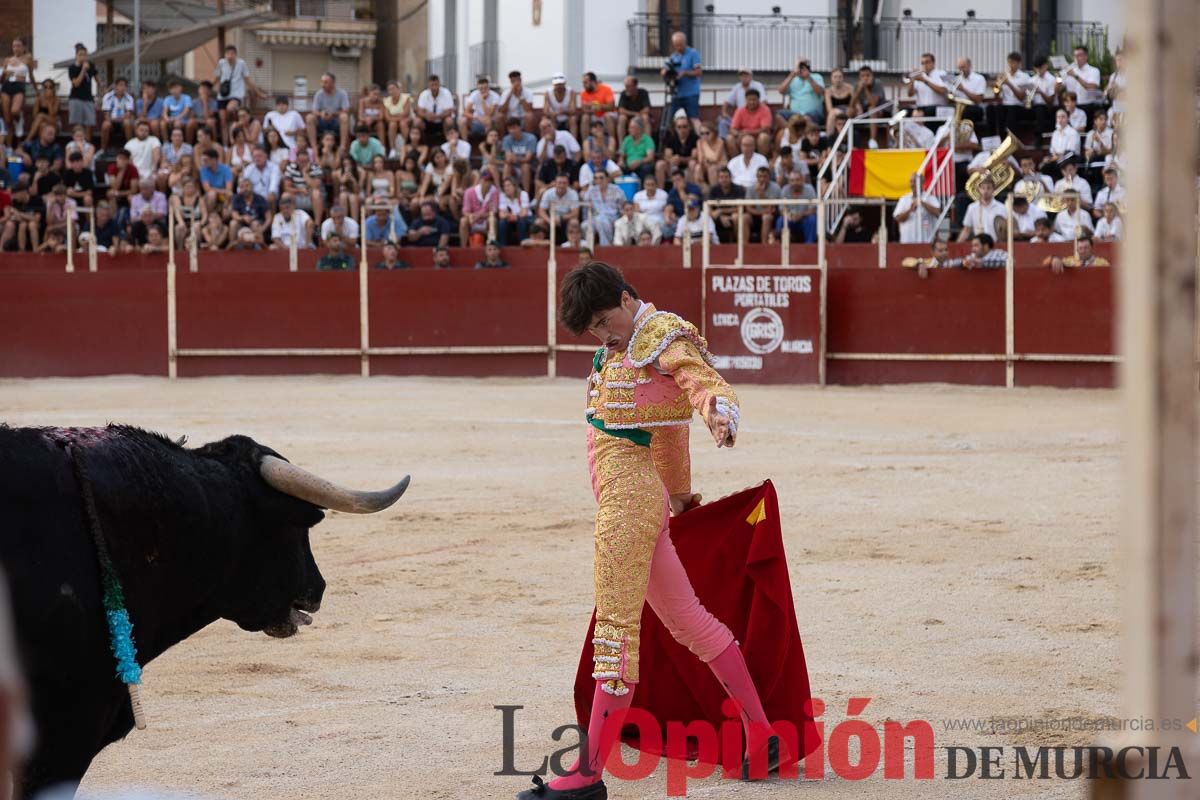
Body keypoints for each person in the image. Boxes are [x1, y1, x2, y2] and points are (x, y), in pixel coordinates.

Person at [519, 262, 783, 800]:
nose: (602, 333)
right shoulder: (626, 348)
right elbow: (666, 433)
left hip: (627, 503)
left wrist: (718, 409)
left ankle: (588, 774)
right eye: (592, 328)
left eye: (603, 319)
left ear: (624, 296)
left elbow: (699, 380)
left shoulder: (660, 334)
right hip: (643, 500)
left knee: (616, 631)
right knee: (689, 622)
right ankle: (761, 735)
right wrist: (680, 496)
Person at [214, 45, 263, 140]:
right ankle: (225, 143)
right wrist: (210, 88)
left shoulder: (241, 63)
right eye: (227, 54)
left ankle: (235, 120)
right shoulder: (221, 63)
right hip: (223, 95)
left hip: (236, 94)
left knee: (230, 108)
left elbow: (248, 79)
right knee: (223, 120)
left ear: (235, 54)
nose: (229, 56)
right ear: (225, 54)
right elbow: (217, 77)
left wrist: (258, 92)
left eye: (232, 54)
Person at [662, 31, 702, 134]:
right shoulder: (673, 56)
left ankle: (702, 141)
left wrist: (684, 73)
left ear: (685, 42)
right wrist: (665, 73)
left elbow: (699, 72)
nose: (678, 47)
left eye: (680, 44)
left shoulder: (693, 53)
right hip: (676, 93)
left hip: (691, 93)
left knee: (694, 118)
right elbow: (664, 70)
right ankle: (671, 142)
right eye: (676, 45)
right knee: (671, 119)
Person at [1, 36, 34, 145]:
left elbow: (31, 75)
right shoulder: (7, 60)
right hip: (7, 85)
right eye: (14, 46)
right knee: (8, 120)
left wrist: (36, 89)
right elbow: (1, 80)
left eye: (18, 46)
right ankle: (10, 147)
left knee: (15, 111)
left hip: (19, 85)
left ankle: (20, 121)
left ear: (24, 47)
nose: (16, 48)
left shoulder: (28, 58)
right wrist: (5, 74)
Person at [718, 67, 766, 140]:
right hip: (740, 117)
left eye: (746, 75)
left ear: (751, 76)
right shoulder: (737, 87)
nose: (744, 78)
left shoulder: (757, 85)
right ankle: (722, 143)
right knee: (722, 122)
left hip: (755, 117)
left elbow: (763, 102)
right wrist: (724, 112)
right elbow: (726, 102)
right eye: (742, 76)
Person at [307, 72, 351, 151]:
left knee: (344, 117)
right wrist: (321, 114)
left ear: (333, 83)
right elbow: (314, 110)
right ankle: (313, 146)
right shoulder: (319, 94)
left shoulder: (342, 93)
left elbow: (346, 110)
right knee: (309, 118)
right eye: (322, 82)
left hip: (336, 121)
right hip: (322, 121)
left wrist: (333, 114)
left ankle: (342, 146)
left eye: (325, 82)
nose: (322, 84)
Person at [1061, 45, 1103, 126]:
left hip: (1087, 106)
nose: (1076, 58)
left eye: (1079, 55)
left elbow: (1091, 87)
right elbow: (1058, 89)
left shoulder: (1093, 70)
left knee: (1085, 133)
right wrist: (1058, 79)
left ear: (1086, 56)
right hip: (1071, 107)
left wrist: (1075, 76)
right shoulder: (1069, 70)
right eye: (1075, 55)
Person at [777, 57, 825, 125]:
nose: (801, 69)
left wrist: (809, 77)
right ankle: (791, 131)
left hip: (813, 113)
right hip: (795, 113)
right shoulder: (793, 79)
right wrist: (792, 74)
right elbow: (781, 91)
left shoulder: (817, 77)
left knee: (805, 118)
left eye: (803, 67)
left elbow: (820, 92)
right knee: (778, 115)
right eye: (799, 67)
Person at [727, 88, 773, 158]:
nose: (752, 102)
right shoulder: (740, 110)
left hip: (757, 136)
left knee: (764, 137)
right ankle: (736, 162)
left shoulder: (765, 109)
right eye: (749, 100)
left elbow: (765, 128)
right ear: (745, 100)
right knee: (729, 138)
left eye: (754, 99)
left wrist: (748, 132)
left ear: (758, 99)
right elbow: (732, 128)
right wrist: (738, 134)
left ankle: (762, 162)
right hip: (742, 136)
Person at [582, 170, 625, 246]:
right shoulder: (591, 191)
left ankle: (605, 247)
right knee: (584, 225)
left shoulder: (616, 190)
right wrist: (587, 218)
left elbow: (622, 207)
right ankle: (588, 249)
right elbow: (586, 208)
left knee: (601, 221)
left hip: (613, 218)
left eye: (601, 178)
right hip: (596, 218)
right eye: (596, 178)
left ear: (607, 179)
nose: (598, 180)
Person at [957, 177, 1005, 242]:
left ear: (993, 189)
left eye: (988, 188)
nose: (985, 191)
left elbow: (1006, 231)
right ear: (979, 189)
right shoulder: (972, 207)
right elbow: (966, 230)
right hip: (979, 247)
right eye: (983, 188)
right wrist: (958, 244)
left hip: (996, 244)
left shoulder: (1001, 208)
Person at [416, 74, 457, 148]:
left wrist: (437, 116)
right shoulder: (424, 94)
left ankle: (449, 144)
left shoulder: (446, 93)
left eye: (436, 84)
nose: (434, 87)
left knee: (449, 121)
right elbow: (419, 111)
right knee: (417, 122)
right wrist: (426, 116)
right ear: (428, 85)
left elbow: (449, 111)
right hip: (428, 121)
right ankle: (421, 144)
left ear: (439, 84)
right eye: (432, 85)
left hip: (442, 120)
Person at [777, 169, 818, 243]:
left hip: (804, 218)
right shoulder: (785, 190)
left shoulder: (809, 189)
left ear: (802, 180)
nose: (795, 183)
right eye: (792, 180)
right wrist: (788, 216)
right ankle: (780, 246)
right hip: (790, 219)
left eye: (797, 180)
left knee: (812, 219)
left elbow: (813, 209)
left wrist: (801, 215)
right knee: (780, 220)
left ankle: (809, 246)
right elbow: (781, 210)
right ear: (789, 181)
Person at [659, 111, 698, 187]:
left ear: (689, 127)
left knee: (692, 163)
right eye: (679, 127)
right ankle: (661, 192)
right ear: (675, 128)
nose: (682, 129)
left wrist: (680, 159)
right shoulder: (670, 138)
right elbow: (667, 156)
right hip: (673, 167)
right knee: (660, 164)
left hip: (688, 167)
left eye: (684, 126)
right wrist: (672, 159)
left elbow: (694, 157)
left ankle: (692, 190)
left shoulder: (694, 138)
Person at [66, 43, 97, 140]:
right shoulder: (72, 68)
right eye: (80, 54)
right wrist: (83, 70)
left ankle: (88, 144)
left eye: (85, 54)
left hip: (88, 97)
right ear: (76, 56)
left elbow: (97, 78)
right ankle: (77, 143)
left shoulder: (91, 65)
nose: (83, 57)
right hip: (76, 98)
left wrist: (102, 86)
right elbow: (76, 83)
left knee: (90, 123)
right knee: (77, 124)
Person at [459, 169, 499, 245]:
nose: (487, 183)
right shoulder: (469, 192)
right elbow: (465, 211)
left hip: (485, 220)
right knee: (463, 221)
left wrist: (479, 215)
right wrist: (472, 216)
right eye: (485, 180)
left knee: (493, 220)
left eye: (489, 181)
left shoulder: (494, 192)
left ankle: (492, 245)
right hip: (472, 220)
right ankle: (463, 246)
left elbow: (493, 211)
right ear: (480, 180)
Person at [500, 117, 539, 194]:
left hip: (530, 166)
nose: (512, 131)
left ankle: (525, 194)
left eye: (514, 128)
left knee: (525, 166)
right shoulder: (506, 139)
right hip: (514, 166)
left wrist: (516, 158)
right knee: (507, 165)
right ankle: (505, 192)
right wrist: (513, 158)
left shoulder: (530, 138)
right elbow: (508, 158)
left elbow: (528, 158)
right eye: (510, 129)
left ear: (520, 127)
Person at [707, 166, 745, 244]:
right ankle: (710, 245)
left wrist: (721, 211)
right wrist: (720, 216)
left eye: (726, 177)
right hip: (718, 217)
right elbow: (709, 207)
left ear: (730, 178)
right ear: (718, 178)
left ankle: (739, 243)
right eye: (721, 177)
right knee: (707, 218)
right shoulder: (714, 190)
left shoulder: (738, 189)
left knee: (736, 217)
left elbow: (741, 208)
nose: (724, 179)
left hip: (733, 216)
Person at [905, 52, 950, 117]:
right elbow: (910, 94)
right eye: (922, 63)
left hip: (937, 109)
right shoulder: (919, 76)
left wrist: (924, 81)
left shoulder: (942, 73)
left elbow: (943, 91)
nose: (924, 65)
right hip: (922, 110)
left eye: (927, 62)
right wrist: (912, 81)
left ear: (933, 63)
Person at [539, 172, 581, 240]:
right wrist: (550, 220)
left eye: (564, 183)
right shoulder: (548, 193)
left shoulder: (573, 193)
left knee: (574, 222)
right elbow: (541, 211)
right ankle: (540, 245)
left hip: (566, 218)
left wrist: (561, 218)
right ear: (555, 183)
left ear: (568, 184)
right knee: (539, 222)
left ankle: (572, 244)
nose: (561, 185)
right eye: (559, 183)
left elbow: (575, 213)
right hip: (551, 218)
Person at [744, 166, 780, 243]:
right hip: (755, 215)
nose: (762, 179)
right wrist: (762, 212)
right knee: (744, 217)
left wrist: (761, 195)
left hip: (771, 217)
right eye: (760, 176)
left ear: (769, 177)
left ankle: (764, 246)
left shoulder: (775, 187)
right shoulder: (751, 188)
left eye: (765, 176)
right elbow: (748, 208)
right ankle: (744, 246)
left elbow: (771, 208)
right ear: (756, 177)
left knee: (766, 217)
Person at [229, 178, 269, 246]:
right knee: (233, 223)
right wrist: (242, 218)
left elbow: (269, 218)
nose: (245, 189)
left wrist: (262, 229)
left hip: (257, 224)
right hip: (242, 223)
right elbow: (234, 215)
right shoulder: (237, 198)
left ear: (252, 187)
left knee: (255, 223)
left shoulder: (260, 199)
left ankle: (259, 247)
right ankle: (232, 245)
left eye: (247, 186)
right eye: (242, 187)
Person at [461, 74, 501, 140]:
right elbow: (465, 112)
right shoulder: (474, 94)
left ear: (488, 87)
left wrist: (482, 100)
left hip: (490, 121)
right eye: (480, 89)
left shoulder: (495, 96)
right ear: (478, 88)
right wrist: (476, 117)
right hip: (477, 120)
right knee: (462, 120)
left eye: (485, 88)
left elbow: (489, 114)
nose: (483, 91)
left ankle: (488, 143)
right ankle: (465, 144)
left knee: (488, 120)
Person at [100, 77, 136, 150]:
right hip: (111, 122)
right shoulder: (107, 96)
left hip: (123, 122)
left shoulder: (129, 98)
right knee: (106, 124)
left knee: (127, 123)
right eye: (120, 85)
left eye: (125, 86)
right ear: (115, 86)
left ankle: (130, 149)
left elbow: (128, 114)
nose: (123, 88)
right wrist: (115, 119)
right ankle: (103, 149)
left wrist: (120, 118)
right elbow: (107, 116)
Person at [578, 72, 617, 139]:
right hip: (594, 115)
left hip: (607, 115)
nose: (583, 85)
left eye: (585, 83)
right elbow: (584, 109)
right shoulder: (584, 93)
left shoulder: (606, 89)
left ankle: (612, 142)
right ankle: (585, 143)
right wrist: (594, 108)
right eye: (583, 83)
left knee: (607, 115)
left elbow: (611, 107)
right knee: (585, 117)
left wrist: (593, 105)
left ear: (593, 82)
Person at [497, 175, 533, 245]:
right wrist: (512, 216)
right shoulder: (502, 196)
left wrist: (510, 215)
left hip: (525, 219)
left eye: (508, 185)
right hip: (511, 220)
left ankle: (523, 244)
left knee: (521, 221)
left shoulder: (523, 194)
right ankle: (502, 246)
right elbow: (501, 215)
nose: (506, 188)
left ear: (515, 186)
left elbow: (524, 213)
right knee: (502, 223)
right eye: (504, 186)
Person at [1045, 234, 1109, 273]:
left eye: (1086, 248)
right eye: (1080, 248)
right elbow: (1045, 263)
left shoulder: (1102, 263)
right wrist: (1053, 258)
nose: (1083, 251)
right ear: (1077, 249)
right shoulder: (1070, 261)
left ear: (1091, 248)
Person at [616, 75, 652, 144]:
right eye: (625, 86)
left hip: (641, 115)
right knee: (621, 118)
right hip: (629, 116)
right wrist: (635, 114)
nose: (626, 88)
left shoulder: (643, 92)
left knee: (645, 117)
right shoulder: (623, 93)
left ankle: (648, 144)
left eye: (629, 86)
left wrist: (639, 114)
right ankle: (622, 145)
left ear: (635, 86)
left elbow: (647, 109)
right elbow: (621, 110)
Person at [125, 121, 162, 187]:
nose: (144, 132)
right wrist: (136, 174)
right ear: (136, 131)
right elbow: (129, 161)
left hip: (151, 171)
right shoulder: (129, 144)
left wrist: (153, 169)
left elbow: (156, 154)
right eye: (141, 130)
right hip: (135, 172)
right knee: (136, 181)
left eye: (146, 130)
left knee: (158, 178)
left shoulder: (154, 140)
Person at [498, 70, 535, 134]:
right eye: (513, 81)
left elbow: (529, 110)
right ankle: (501, 140)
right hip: (510, 118)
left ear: (520, 80)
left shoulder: (528, 92)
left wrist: (520, 96)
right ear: (510, 82)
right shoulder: (506, 93)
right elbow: (502, 111)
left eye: (517, 80)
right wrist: (509, 96)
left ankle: (529, 137)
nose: (516, 83)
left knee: (529, 116)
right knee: (499, 116)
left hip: (523, 118)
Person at [619, 117, 655, 182]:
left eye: (632, 128)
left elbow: (650, 157)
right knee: (617, 169)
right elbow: (622, 155)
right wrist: (621, 161)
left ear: (639, 129)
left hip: (641, 165)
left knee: (646, 168)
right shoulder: (627, 139)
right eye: (629, 127)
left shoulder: (647, 140)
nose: (629, 130)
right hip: (628, 166)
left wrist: (639, 162)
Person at [544, 72, 578, 139]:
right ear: (553, 84)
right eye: (557, 84)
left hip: (567, 117)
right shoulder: (548, 93)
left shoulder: (571, 92)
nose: (559, 86)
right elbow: (545, 111)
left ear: (565, 83)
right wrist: (554, 114)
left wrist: (564, 112)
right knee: (550, 120)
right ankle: (553, 142)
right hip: (554, 117)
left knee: (573, 119)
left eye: (561, 84)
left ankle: (574, 143)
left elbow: (573, 110)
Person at [160, 79, 193, 144]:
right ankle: (166, 142)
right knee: (162, 123)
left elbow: (186, 112)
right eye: (172, 88)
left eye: (176, 87)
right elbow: (164, 112)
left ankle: (179, 142)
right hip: (171, 119)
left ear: (181, 88)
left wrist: (175, 118)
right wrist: (167, 118)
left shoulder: (187, 98)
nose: (174, 90)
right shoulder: (167, 98)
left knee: (177, 123)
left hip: (183, 119)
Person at [384, 79, 414, 152]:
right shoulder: (386, 100)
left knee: (402, 123)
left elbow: (406, 113)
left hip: (408, 119)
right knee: (392, 124)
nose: (392, 91)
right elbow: (387, 117)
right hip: (395, 121)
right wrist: (397, 117)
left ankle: (408, 146)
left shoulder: (406, 97)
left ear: (398, 89)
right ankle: (392, 149)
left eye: (393, 89)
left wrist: (393, 117)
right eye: (389, 89)